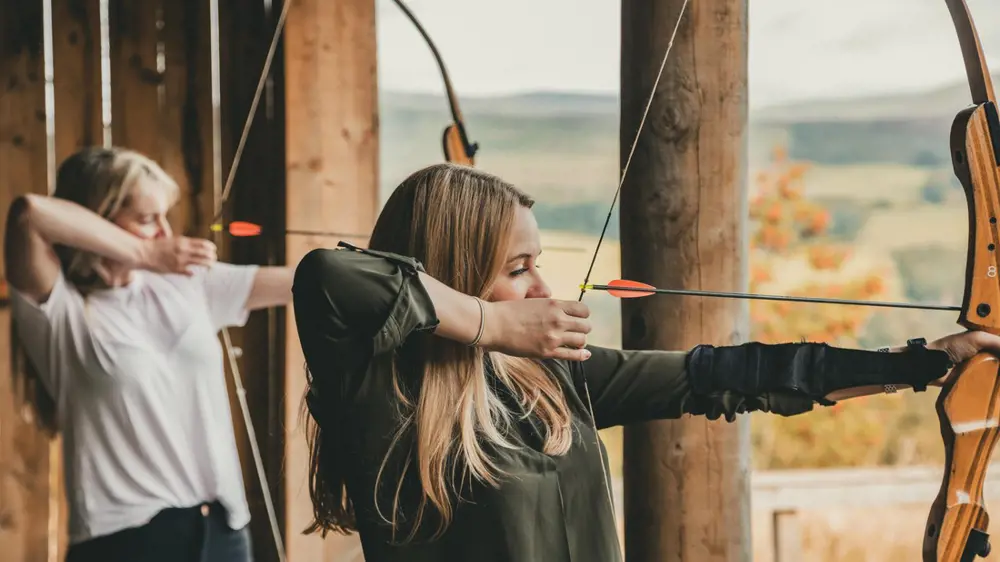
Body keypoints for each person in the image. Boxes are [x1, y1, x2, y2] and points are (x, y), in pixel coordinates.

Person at [291, 162, 1000, 562]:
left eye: (539, 266)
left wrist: (918, 364)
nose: (542, 291)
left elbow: (723, 375)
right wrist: (495, 322)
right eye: (516, 270)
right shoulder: (382, 392)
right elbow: (327, 274)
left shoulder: (555, 380)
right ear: (457, 271)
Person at [4, 146, 294, 562]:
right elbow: (29, 214)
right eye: (145, 219)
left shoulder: (188, 284)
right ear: (97, 219)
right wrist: (143, 254)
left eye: (164, 217)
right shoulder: (59, 311)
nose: (163, 232)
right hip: (124, 541)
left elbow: (303, 281)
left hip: (224, 534)